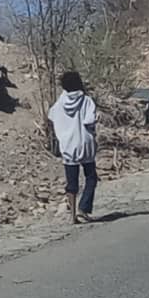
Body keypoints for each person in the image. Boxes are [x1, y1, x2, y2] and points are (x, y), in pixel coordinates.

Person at [47, 72, 99, 224]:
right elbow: (90, 120)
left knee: (72, 182)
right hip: (85, 142)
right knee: (91, 177)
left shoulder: (60, 102)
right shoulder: (86, 100)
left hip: (67, 145)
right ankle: (84, 207)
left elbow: (51, 116)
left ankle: (72, 216)